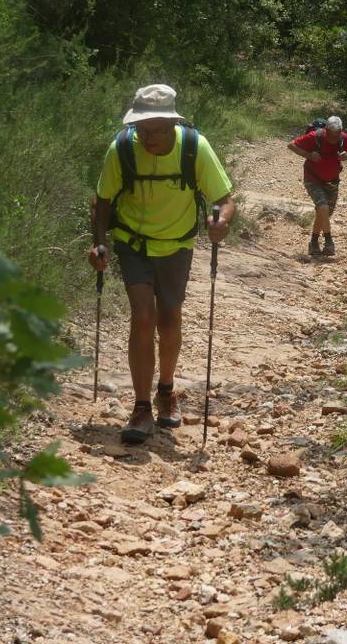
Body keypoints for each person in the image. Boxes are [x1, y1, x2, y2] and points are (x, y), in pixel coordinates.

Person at [89, 84, 235, 444]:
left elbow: (224, 198)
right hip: (133, 243)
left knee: (169, 319)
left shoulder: (194, 148)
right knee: (142, 316)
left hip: (177, 245)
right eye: (144, 130)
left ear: (173, 124)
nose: (150, 138)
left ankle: (166, 390)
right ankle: (141, 407)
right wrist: (99, 243)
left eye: (158, 130)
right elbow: (102, 202)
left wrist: (221, 222)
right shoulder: (122, 149)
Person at [288, 115, 347, 257]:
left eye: (338, 134)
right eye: (333, 134)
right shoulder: (315, 136)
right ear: (327, 130)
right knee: (323, 207)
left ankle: (313, 243)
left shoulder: (343, 138)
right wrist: (308, 155)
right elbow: (291, 145)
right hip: (313, 179)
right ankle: (329, 242)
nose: (335, 137)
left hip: (332, 181)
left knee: (324, 214)